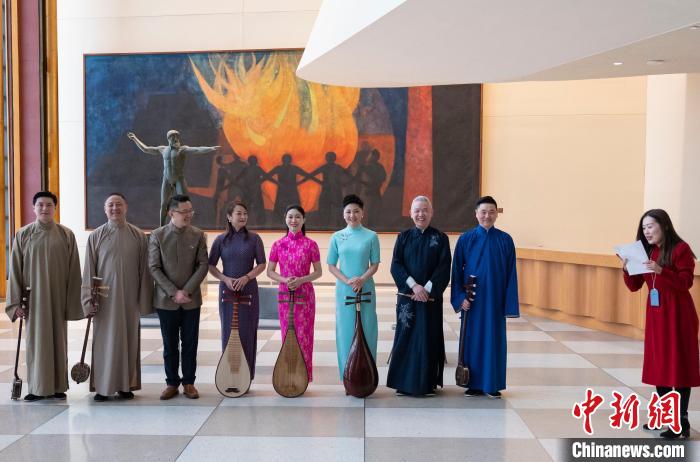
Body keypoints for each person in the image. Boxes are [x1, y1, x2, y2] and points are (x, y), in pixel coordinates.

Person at [621, 209, 699, 439]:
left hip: (678, 315)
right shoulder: (648, 251)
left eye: (650, 226)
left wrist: (661, 270)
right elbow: (635, 286)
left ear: (664, 225)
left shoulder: (681, 249)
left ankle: (680, 422)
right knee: (660, 366)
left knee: (679, 366)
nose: (646, 232)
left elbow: (685, 283)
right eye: (644, 228)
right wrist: (626, 269)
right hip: (657, 316)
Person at [5, 191, 83, 401]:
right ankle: (38, 388)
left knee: (59, 341)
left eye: (49, 205)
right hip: (34, 300)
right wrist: (15, 303)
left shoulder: (66, 235)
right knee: (37, 342)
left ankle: (58, 387)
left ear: (55, 208)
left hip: (58, 298)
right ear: (34, 208)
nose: (44, 208)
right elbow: (15, 270)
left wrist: (72, 303)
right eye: (40, 205)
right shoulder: (23, 234)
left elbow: (74, 271)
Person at [81, 193, 153, 402]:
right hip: (103, 299)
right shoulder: (96, 236)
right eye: (110, 205)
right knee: (104, 342)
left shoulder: (138, 236)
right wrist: (88, 301)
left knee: (129, 340)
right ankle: (103, 387)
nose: (115, 208)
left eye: (118, 204)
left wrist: (144, 300)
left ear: (126, 207)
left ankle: (125, 385)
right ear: (105, 210)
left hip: (130, 298)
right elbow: (88, 271)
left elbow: (145, 271)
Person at [450, 195, 519, 399]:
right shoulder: (466, 239)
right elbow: (456, 271)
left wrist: (508, 304)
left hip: (495, 301)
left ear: (496, 214)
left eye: (491, 212)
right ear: (476, 214)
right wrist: (460, 298)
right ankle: (473, 383)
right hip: (473, 301)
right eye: (483, 212)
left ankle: (492, 384)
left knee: (494, 341)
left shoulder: (505, 240)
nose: (487, 216)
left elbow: (511, 274)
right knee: (472, 340)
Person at [387, 196, 451, 396]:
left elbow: (444, 267)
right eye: (417, 210)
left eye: (425, 210)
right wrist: (414, 286)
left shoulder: (441, 238)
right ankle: (402, 383)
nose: (421, 214)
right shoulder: (403, 237)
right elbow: (396, 265)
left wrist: (427, 289)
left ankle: (427, 383)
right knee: (405, 337)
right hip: (408, 298)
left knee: (428, 338)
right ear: (410, 213)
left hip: (430, 300)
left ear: (431, 213)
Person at [149, 194, 208, 400]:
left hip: (191, 300)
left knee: (190, 343)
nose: (188, 215)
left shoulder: (198, 235)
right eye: (184, 212)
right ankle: (172, 383)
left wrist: (187, 291)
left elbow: (203, 264)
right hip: (166, 301)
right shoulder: (157, 235)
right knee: (170, 344)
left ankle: (189, 382)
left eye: (190, 211)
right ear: (171, 213)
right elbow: (154, 267)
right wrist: (174, 292)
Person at [208, 201, 266, 382]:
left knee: (247, 331)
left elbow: (262, 264)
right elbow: (211, 265)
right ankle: (229, 375)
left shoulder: (254, 239)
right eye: (239, 213)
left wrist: (246, 278)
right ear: (229, 217)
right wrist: (225, 279)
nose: (243, 217)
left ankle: (246, 377)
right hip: (227, 291)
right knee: (228, 330)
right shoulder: (220, 240)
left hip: (248, 290)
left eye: (245, 213)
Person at [266, 204, 323, 381]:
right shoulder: (278, 244)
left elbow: (318, 272)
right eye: (290, 216)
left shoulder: (311, 244)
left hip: (305, 294)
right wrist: (285, 280)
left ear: (304, 220)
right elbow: (270, 271)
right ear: (285, 219)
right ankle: (288, 376)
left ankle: (303, 376)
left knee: (304, 334)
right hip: (285, 294)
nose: (294, 220)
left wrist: (301, 280)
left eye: (298, 216)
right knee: (287, 334)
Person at [327, 194, 380, 377]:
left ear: (362, 213)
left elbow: (374, 264)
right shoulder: (336, 237)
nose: (352, 215)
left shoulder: (371, 236)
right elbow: (331, 265)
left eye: (356, 211)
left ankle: (367, 375)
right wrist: (347, 281)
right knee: (345, 330)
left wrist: (362, 279)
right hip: (345, 290)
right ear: (343, 214)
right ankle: (348, 376)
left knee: (368, 328)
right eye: (348, 212)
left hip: (366, 288)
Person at [127, 130, 219, 226]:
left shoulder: (182, 149)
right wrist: (135, 139)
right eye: (173, 136)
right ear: (168, 138)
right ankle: (161, 227)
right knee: (164, 204)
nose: (175, 139)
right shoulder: (163, 149)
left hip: (179, 179)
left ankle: (186, 226)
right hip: (167, 179)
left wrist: (211, 148)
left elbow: (197, 150)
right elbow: (146, 149)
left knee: (185, 203)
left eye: (177, 136)